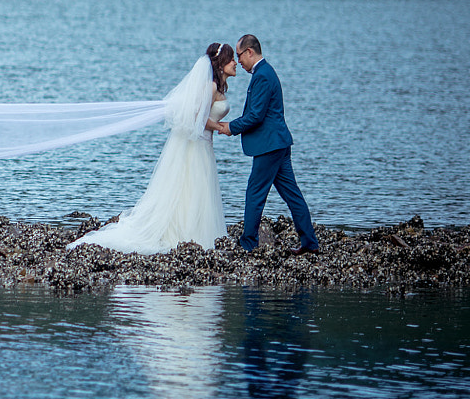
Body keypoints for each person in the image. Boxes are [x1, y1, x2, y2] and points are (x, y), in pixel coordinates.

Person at [69, 43, 237, 254]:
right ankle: (187, 234)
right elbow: (197, 117)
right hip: (198, 145)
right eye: (231, 59)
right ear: (221, 64)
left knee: (198, 188)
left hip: (205, 145)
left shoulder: (219, 87)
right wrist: (222, 127)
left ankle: (195, 232)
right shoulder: (210, 87)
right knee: (193, 187)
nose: (235, 63)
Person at [206, 35, 318, 255]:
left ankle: (248, 243)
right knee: (292, 194)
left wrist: (231, 127)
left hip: (270, 145)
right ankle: (310, 244)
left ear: (249, 51)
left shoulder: (263, 76)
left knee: (255, 192)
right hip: (278, 143)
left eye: (239, 55)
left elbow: (256, 115)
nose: (238, 61)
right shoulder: (263, 73)